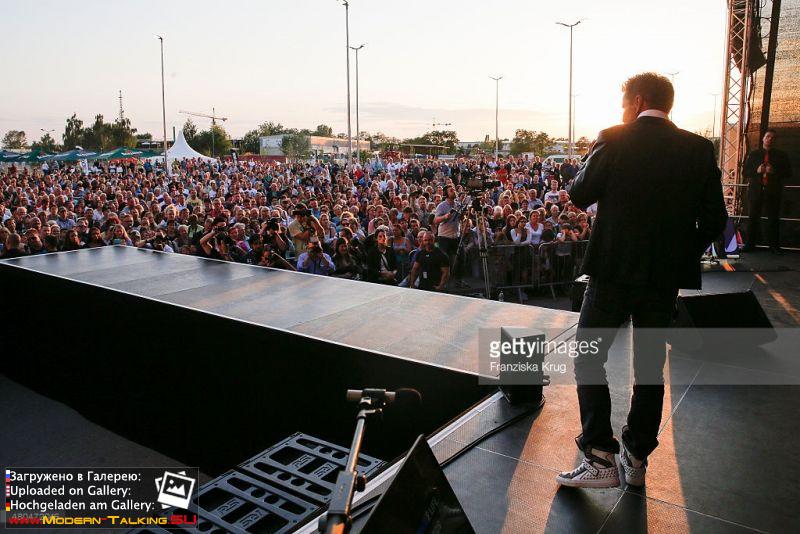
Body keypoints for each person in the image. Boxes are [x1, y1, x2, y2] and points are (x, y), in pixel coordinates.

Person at [556, 72, 727, 489]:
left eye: (623, 101)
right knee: (650, 366)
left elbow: (580, 193)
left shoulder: (614, 137)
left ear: (636, 100)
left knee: (589, 358)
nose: (621, 109)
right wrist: (678, 252)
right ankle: (636, 458)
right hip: (662, 278)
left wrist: (586, 159)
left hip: (612, 272)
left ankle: (599, 456)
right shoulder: (698, 149)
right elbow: (716, 220)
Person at [742, 129, 792, 254]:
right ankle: (749, 245)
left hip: (773, 191)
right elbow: (745, 172)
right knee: (753, 218)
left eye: (773, 137)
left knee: (773, 219)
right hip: (756, 191)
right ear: (763, 138)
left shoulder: (781, 155)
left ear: (775, 141)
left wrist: (774, 172)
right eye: (768, 136)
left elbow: (789, 173)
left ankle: (774, 246)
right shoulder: (754, 154)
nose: (770, 139)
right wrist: (756, 171)